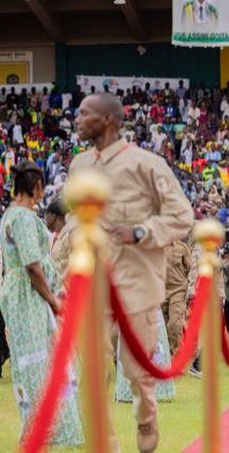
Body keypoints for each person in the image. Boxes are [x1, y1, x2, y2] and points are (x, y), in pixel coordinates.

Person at [71, 92, 193, 452]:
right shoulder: (78, 167)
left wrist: (141, 232)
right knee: (93, 368)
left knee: (137, 370)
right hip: (94, 283)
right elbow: (73, 225)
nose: (77, 120)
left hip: (137, 283)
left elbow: (182, 216)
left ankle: (146, 417)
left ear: (108, 119)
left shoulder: (146, 164)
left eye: (84, 114)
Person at [0, 161, 83, 447]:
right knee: (37, 362)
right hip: (27, 295)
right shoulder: (22, 219)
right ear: (36, 187)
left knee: (44, 359)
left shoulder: (13, 215)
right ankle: (42, 429)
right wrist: (52, 300)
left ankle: (51, 426)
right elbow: (32, 266)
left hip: (21, 292)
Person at [163, 239, 192, 355]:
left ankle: (174, 354)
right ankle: (165, 357)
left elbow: (190, 268)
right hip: (161, 291)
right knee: (163, 327)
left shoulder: (182, 248)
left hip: (178, 290)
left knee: (175, 323)